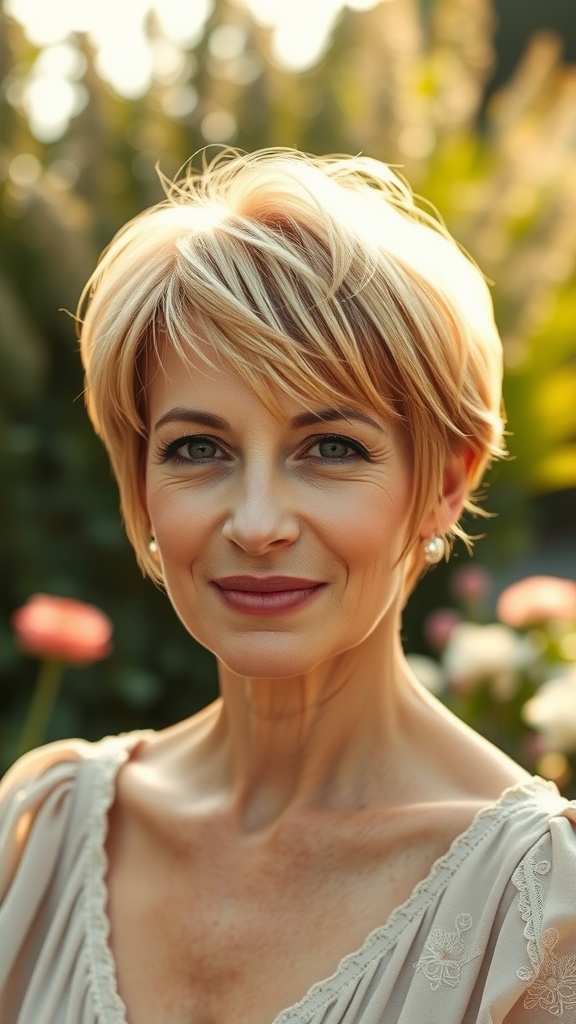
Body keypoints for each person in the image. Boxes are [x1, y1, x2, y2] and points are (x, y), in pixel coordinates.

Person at [1, 147, 575, 1024]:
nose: (257, 521)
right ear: (140, 479)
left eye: (331, 447)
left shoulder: (538, 911)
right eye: (199, 448)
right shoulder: (38, 837)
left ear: (448, 482)